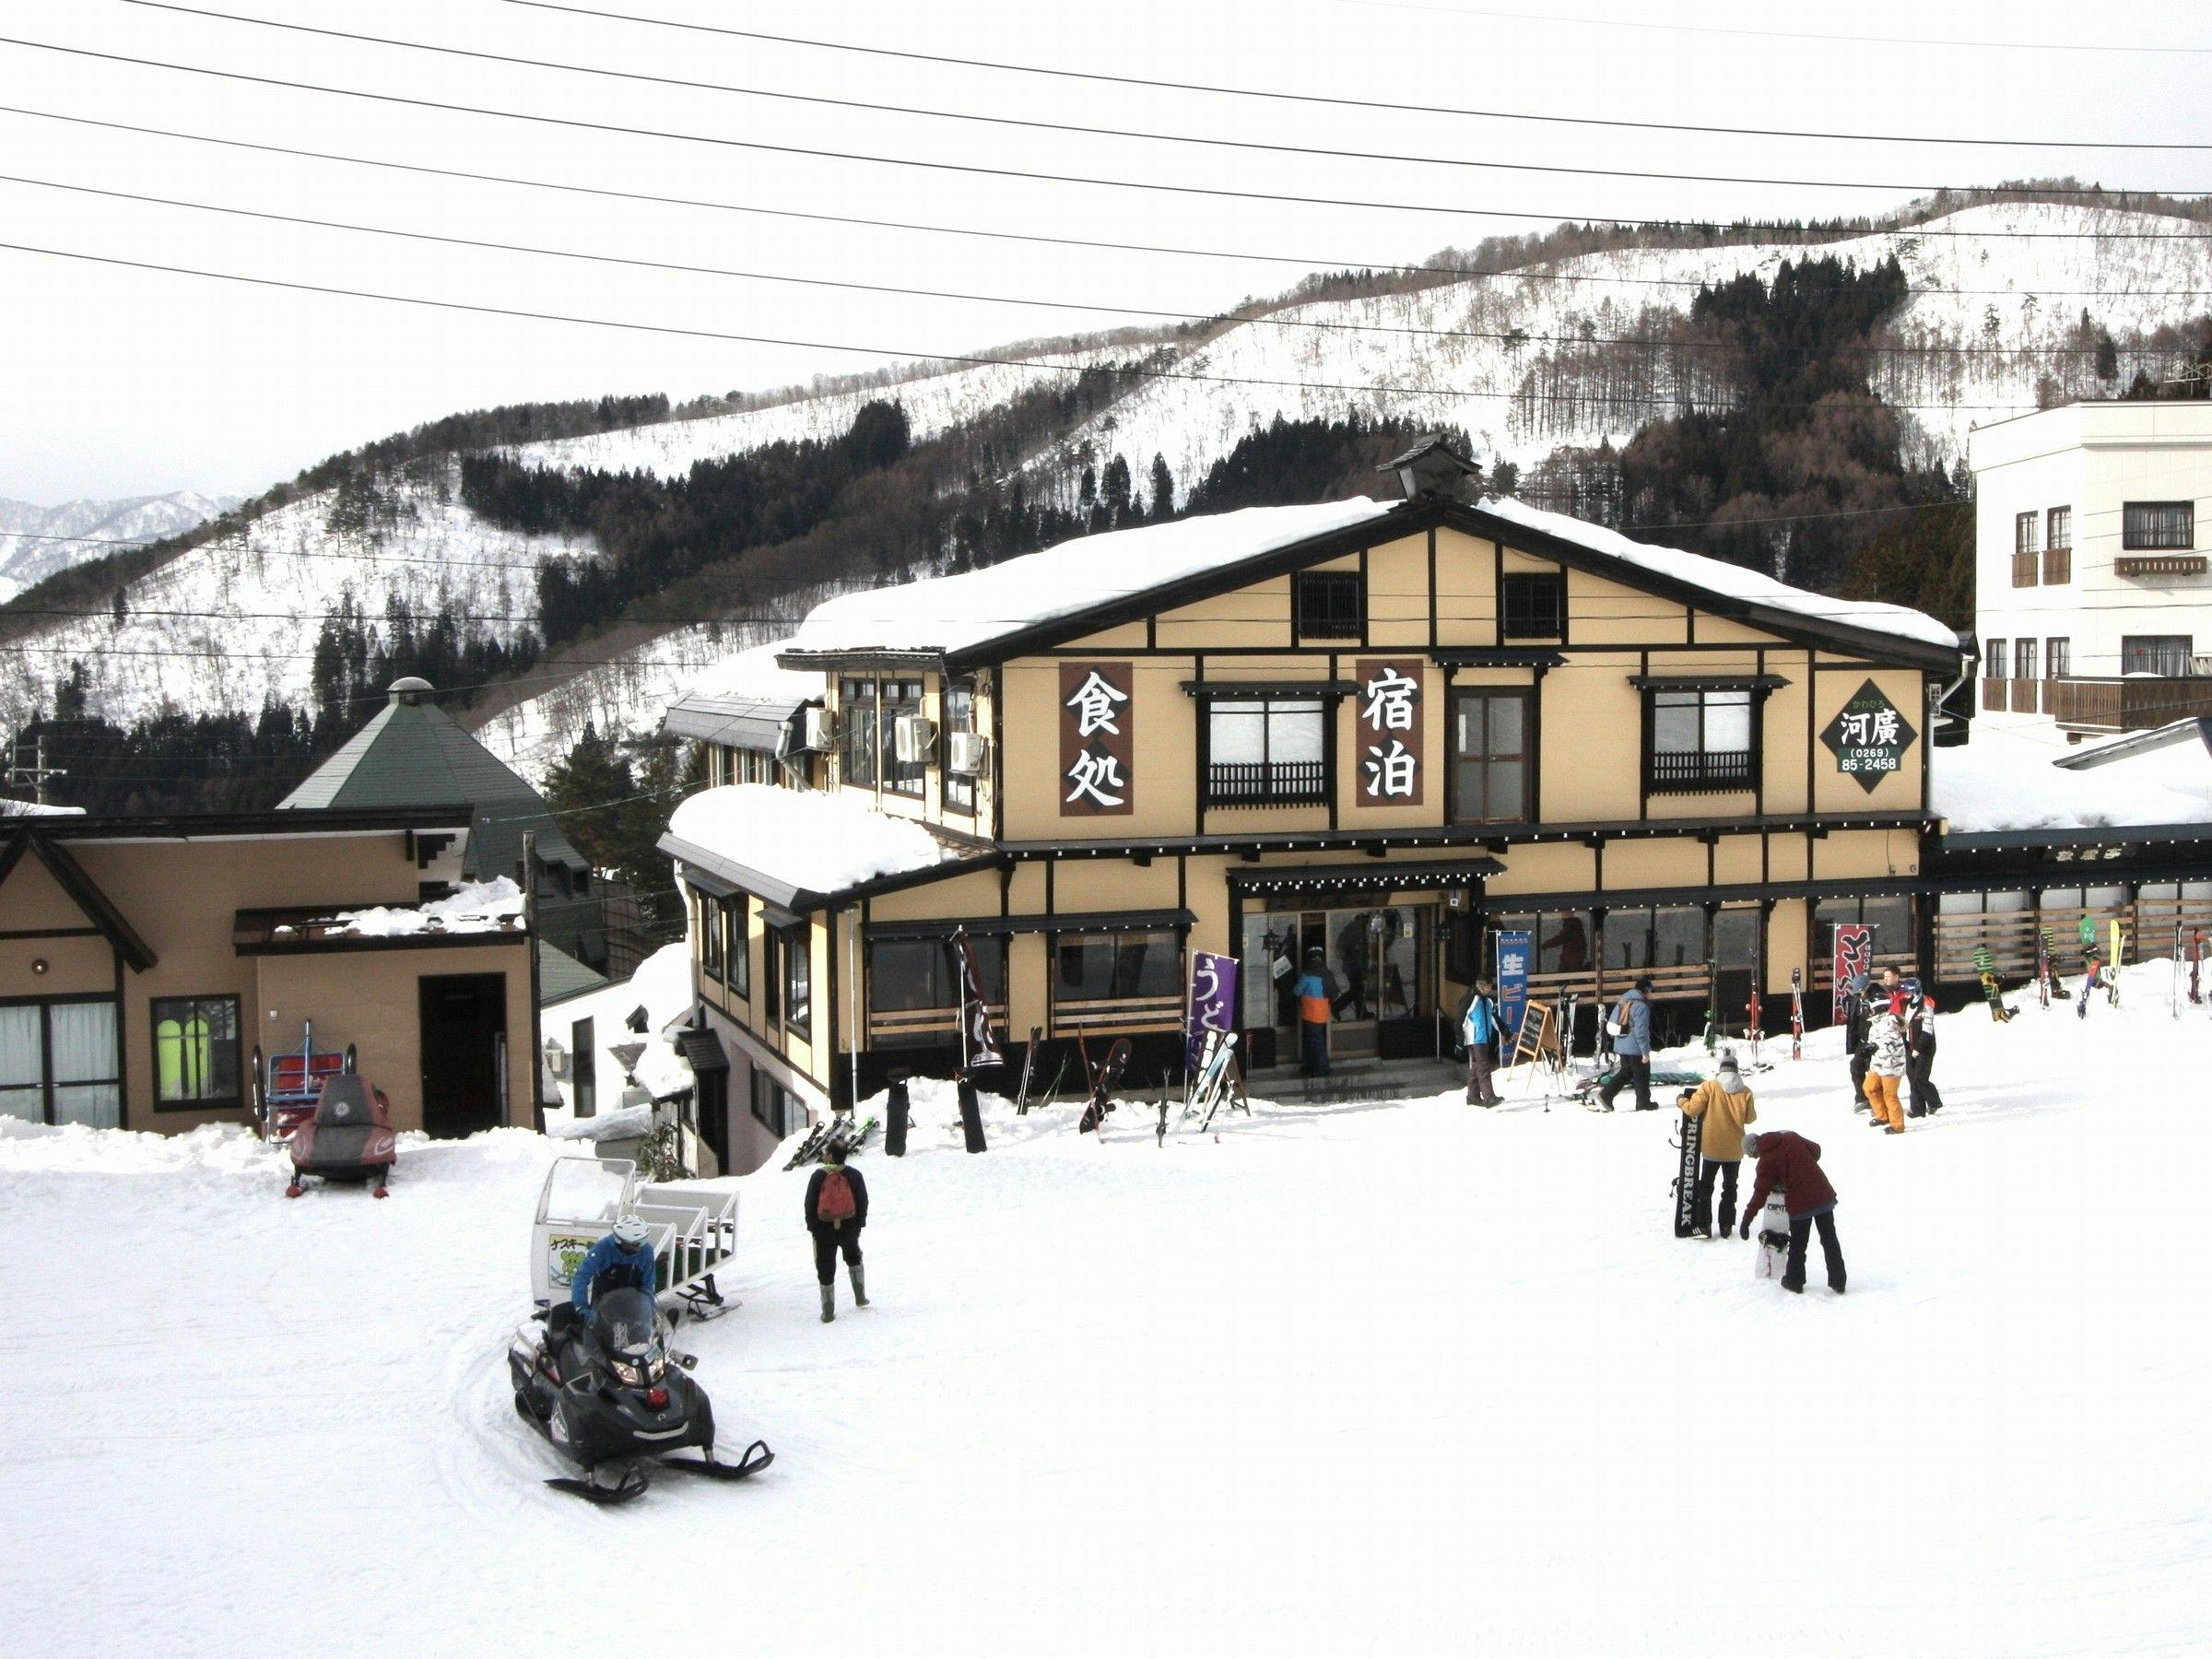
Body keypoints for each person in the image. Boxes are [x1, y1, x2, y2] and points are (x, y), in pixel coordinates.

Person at [1739, 1129, 1845, 1294]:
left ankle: (1795, 1280)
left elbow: (1760, 1194)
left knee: (1798, 1243)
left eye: (1753, 1155)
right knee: (1829, 1238)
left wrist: (1746, 1220)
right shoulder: (1789, 1136)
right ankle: (1838, 1281)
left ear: (1753, 1150)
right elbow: (1816, 1150)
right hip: (1822, 1192)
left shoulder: (1765, 1162)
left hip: (1800, 1200)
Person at [1680, 1051, 1756, 1240]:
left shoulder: (1709, 1087)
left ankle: (1704, 1225)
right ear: (1736, 1071)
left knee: (1706, 1187)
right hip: (1734, 1150)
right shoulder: (1746, 1091)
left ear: (1720, 1070)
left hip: (1712, 1147)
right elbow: (1750, 1118)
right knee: (1730, 1188)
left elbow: (1692, 1109)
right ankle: (1726, 1226)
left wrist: (1681, 1100)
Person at [806, 1140, 870, 1324]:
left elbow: (809, 1203)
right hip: (849, 1226)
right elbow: (862, 1200)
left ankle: (828, 1312)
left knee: (825, 1266)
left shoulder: (818, 1176)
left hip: (823, 1229)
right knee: (853, 1257)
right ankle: (860, 1296)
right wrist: (859, 1224)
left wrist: (813, 1226)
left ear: (831, 1156)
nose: (824, 1154)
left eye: (826, 1152)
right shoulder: (854, 1175)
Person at [570, 1213, 656, 1321]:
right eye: (636, 1244)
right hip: (603, 1306)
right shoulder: (602, 1248)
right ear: (623, 1242)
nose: (640, 1247)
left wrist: (649, 1311)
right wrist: (581, 1306)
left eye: (643, 1241)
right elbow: (581, 1277)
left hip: (633, 1306)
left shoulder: (646, 1251)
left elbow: (648, 1285)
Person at [1597, 975, 1654, 1112]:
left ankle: (1606, 1095)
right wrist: (1645, 1052)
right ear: (1645, 990)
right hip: (1635, 1047)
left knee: (1626, 1073)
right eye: (1650, 991)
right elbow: (1641, 1031)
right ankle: (1643, 1103)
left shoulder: (1624, 1000)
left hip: (1621, 1044)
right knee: (1642, 1074)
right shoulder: (1641, 1006)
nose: (1651, 994)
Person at [1863, 1002, 1910, 1134]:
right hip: (1878, 1064)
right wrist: (1870, 1049)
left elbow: (1889, 1047)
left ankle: (1897, 1125)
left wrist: (1874, 1049)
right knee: (1869, 1088)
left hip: (1891, 1066)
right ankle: (1882, 1116)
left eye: (1870, 1008)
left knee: (1890, 1095)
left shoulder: (1887, 1023)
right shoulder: (1877, 1023)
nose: (1868, 1010)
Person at [1293, 947, 1336, 1077]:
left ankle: (1322, 1069)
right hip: (1323, 1013)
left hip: (1311, 1013)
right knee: (1316, 1040)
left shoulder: (1307, 974)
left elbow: (1297, 991)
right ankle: (1312, 1066)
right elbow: (1334, 992)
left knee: (1315, 1042)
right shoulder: (1328, 973)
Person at [1460, 976, 1503, 1106]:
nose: (1490, 989)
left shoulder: (1488, 1001)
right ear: (1481, 986)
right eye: (1488, 987)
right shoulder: (1471, 999)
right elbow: (1460, 1019)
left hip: (1485, 1037)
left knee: (1477, 1065)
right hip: (1475, 1038)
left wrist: (1505, 1032)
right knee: (1484, 1066)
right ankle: (1489, 1097)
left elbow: (1495, 1018)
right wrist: (1458, 1039)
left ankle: (1472, 1096)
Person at [1906, 989, 1945, 1117]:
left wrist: (1917, 1049)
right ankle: (1917, 1109)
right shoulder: (1907, 1005)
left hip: (1925, 1048)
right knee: (1913, 1078)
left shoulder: (1926, 1006)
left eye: (1909, 993)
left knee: (1920, 1078)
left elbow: (1927, 1032)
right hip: (1910, 1046)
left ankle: (1934, 1102)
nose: (1907, 995)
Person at [1843, 975, 1873, 1113]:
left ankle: (1876, 1100)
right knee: (1856, 1067)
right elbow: (1853, 1023)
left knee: (1874, 1071)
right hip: (1861, 1041)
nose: (1857, 994)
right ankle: (1861, 1098)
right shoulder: (1855, 1000)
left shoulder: (1877, 999)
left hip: (1875, 1041)